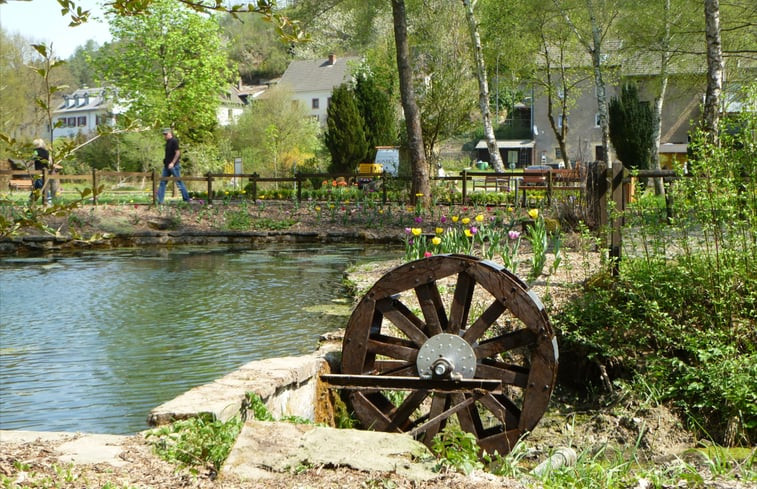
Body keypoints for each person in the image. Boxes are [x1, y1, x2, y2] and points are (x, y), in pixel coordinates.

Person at [157, 128, 190, 204]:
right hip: (166, 166)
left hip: (174, 166)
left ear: (170, 133)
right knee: (163, 182)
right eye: (164, 134)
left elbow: (178, 153)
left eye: (166, 134)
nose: (164, 136)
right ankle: (159, 201)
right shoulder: (167, 142)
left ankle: (186, 199)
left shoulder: (174, 141)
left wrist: (172, 163)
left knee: (179, 182)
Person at [31, 138, 52, 204]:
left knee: (41, 185)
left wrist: (27, 166)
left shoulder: (35, 151)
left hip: (38, 171)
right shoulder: (47, 152)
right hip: (46, 171)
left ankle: (48, 199)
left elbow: (32, 160)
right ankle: (31, 198)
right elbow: (50, 162)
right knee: (37, 185)